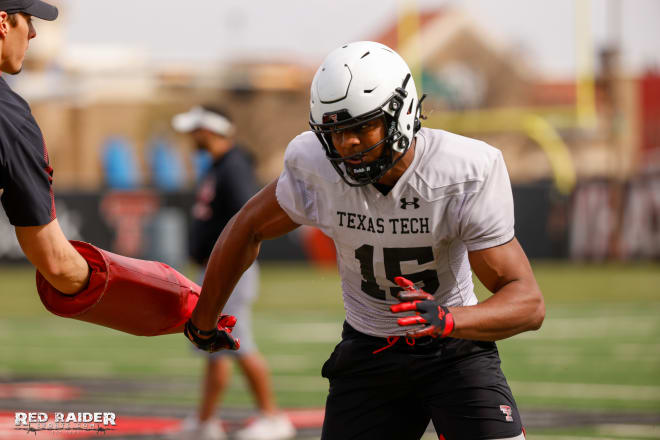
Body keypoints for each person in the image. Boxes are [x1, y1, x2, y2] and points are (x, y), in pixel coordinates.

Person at [186, 41, 545, 440]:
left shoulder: (461, 171)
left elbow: (528, 303)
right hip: (370, 350)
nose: (348, 144)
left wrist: (448, 320)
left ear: (401, 114)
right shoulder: (315, 168)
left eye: (360, 127)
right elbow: (246, 227)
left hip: (453, 351)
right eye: (335, 132)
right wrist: (204, 319)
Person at [1, 0, 236, 340]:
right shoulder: (10, 119)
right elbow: (58, 263)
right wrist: (180, 304)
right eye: (28, 21)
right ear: (3, 22)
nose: (34, 33)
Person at [171, 105, 295, 440]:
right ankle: (205, 421)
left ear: (210, 130)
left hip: (231, 272)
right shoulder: (219, 165)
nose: (191, 137)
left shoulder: (234, 167)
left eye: (196, 130)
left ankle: (272, 416)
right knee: (212, 345)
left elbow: (247, 223)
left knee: (240, 343)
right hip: (216, 270)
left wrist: (227, 264)